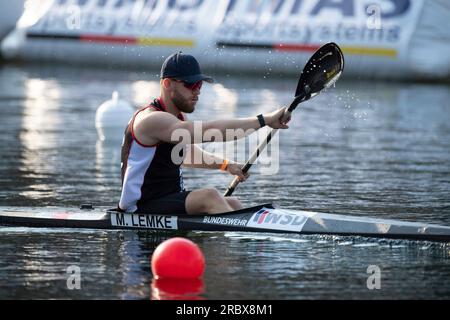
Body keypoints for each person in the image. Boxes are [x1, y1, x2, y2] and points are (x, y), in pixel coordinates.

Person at [118, 52, 289, 215]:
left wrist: (226, 165)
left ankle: (242, 241)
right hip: (139, 207)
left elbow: (184, 154)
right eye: (190, 85)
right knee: (210, 197)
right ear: (167, 84)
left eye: (199, 85)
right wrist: (264, 120)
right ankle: (244, 238)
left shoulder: (176, 118)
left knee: (233, 203)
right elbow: (211, 131)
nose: (197, 91)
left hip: (166, 200)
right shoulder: (151, 119)